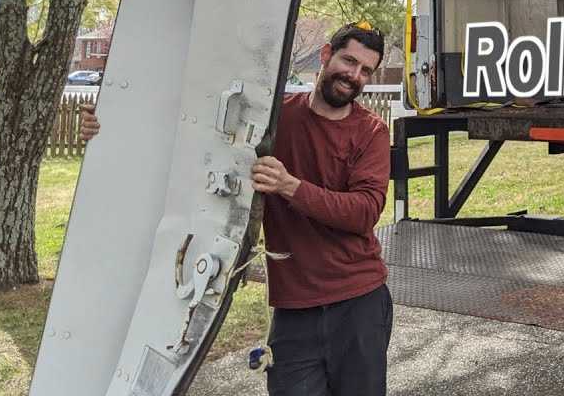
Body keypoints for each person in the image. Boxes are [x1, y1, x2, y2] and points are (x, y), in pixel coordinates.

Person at [81, 22, 393, 396]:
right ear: (326, 55)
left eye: (365, 71)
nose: (354, 76)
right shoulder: (274, 120)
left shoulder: (371, 132)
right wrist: (107, 128)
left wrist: (290, 186)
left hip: (358, 301)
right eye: (349, 61)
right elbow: (188, 136)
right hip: (295, 307)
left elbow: (364, 212)